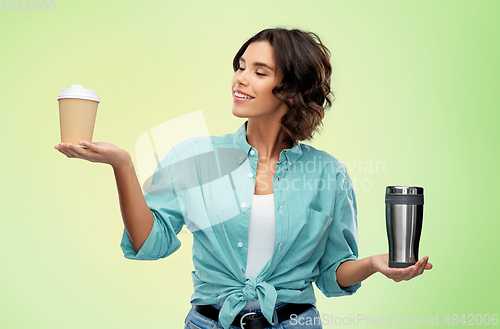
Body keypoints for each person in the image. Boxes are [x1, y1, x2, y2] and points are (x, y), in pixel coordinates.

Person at [54, 27, 432, 329]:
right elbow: (151, 243)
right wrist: (123, 165)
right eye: (240, 66)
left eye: (259, 72)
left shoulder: (327, 173)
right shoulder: (195, 158)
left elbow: (333, 276)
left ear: (291, 89)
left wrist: (374, 264)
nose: (240, 79)